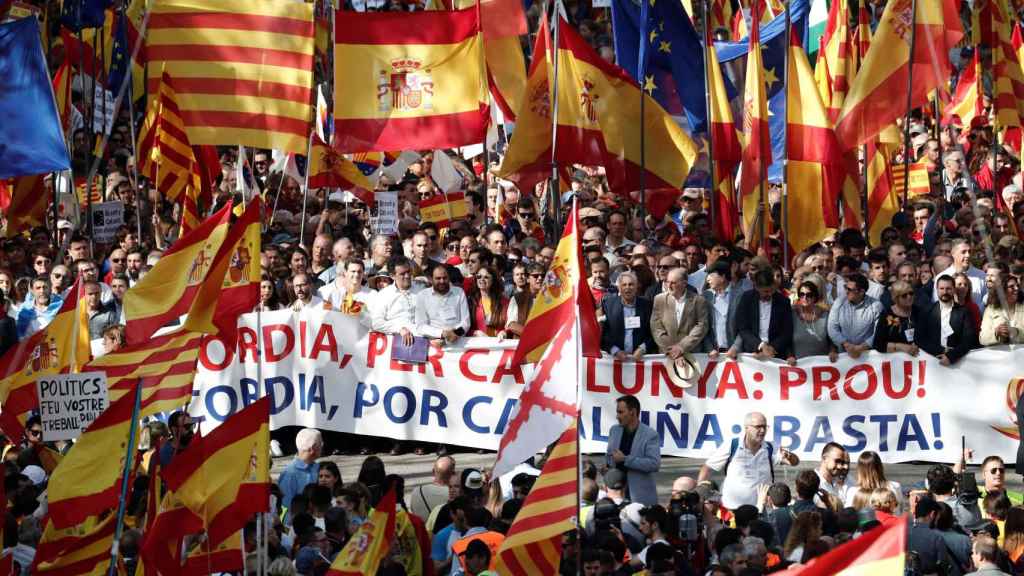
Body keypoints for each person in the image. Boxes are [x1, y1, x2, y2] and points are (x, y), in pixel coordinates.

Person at [699, 412, 799, 510]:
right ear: (746, 428)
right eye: (758, 427)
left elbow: (795, 462)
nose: (763, 430)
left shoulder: (770, 447)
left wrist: (789, 456)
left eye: (765, 426)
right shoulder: (732, 445)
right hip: (732, 510)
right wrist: (700, 493)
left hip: (762, 510)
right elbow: (707, 468)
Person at [604, 395, 661, 506]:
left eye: (621, 412)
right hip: (616, 495)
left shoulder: (650, 435)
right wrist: (607, 468)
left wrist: (625, 459)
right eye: (617, 412)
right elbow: (609, 457)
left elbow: (654, 464)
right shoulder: (614, 430)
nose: (617, 416)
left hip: (639, 497)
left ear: (633, 412)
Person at [651, 268, 709, 367]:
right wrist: (673, 351)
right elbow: (656, 328)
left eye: (673, 283)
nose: (669, 286)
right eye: (667, 282)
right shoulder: (659, 300)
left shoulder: (698, 301)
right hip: (667, 356)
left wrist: (682, 347)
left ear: (684, 283)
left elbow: (701, 326)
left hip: (693, 355)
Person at [733, 268, 793, 360]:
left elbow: (787, 331)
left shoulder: (784, 302)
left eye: (771, 290)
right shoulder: (746, 298)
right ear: (756, 287)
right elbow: (743, 328)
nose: (769, 294)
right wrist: (760, 345)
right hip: (751, 354)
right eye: (765, 291)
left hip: (776, 355)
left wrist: (771, 348)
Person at [917, 275, 978, 365]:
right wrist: (941, 351)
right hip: (931, 362)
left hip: (957, 363)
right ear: (936, 290)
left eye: (948, 289)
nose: (945, 292)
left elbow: (968, 340)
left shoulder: (963, 312)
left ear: (953, 290)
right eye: (941, 288)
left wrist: (951, 356)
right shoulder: (927, 311)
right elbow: (919, 338)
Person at [600, 271, 656, 361]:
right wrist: (615, 351)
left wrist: (643, 348)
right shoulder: (608, 305)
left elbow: (653, 332)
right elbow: (603, 333)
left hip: (640, 358)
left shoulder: (647, 305)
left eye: (631, 284)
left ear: (637, 286)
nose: (627, 288)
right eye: (624, 285)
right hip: (615, 359)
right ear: (619, 288)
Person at [828, 273, 882, 359]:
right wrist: (846, 345)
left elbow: (878, 332)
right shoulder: (839, 302)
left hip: (868, 357)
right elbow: (832, 328)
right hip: (844, 355)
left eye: (850, 289)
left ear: (861, 292)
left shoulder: (876, 306)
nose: (846, 291)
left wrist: (860, 348)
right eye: (846, 287)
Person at [415, 265, 470, 346]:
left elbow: (466, 322)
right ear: (431, 279)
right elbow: (420, 326)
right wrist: (441, 333)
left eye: (445, 278)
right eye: (438, 278)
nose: (442, 281)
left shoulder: (459, 292)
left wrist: (455, 333)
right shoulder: (422, 296)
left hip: (458, 343)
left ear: (449, 278)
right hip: (435, 344)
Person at [788, 280, 837, 363]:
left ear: (815, 297)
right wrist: (790, 356)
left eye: (809, 295)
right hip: (798, 366)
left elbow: (832, 340)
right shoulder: (792, 314)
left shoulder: (826, 315)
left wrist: (833, 351)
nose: (805, 298)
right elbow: (787, 340)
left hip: (822, 365)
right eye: (802, 294)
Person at [701, 260, 741, 358]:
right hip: (713, 354)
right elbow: (702, 325)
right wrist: (709, 348)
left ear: (722, 277)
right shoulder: (705, 296)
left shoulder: (740, 295)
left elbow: (745, 327)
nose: (708, 279)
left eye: (711, 275)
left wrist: (736, 347)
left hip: (736, 354)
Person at [278, 428, 323, 513]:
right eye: (321, 444)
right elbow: (285, 507)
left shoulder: (318, 467)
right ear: (312, 448)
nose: (322, 447)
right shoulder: (289, 474)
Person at [874, 280, 920, 356]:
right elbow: (878, 344)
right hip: (895, 363)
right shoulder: (887, 315)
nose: (909, 297)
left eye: (911, 293)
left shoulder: (919, 312)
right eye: (904, 295)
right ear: (896, 298)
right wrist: (900, 347)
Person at [980, 275, 1024, 345]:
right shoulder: (991, 310)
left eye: (1017, 286)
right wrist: (996, 333)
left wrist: (1017, 332)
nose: (1016, 288)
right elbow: (982, 338)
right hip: (998, 354)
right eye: (1011, 286)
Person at [411, 455, 456, 521]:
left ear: (433, 471)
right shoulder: (454, 495)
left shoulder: (417, 491)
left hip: (422, 530)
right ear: (453, 473)